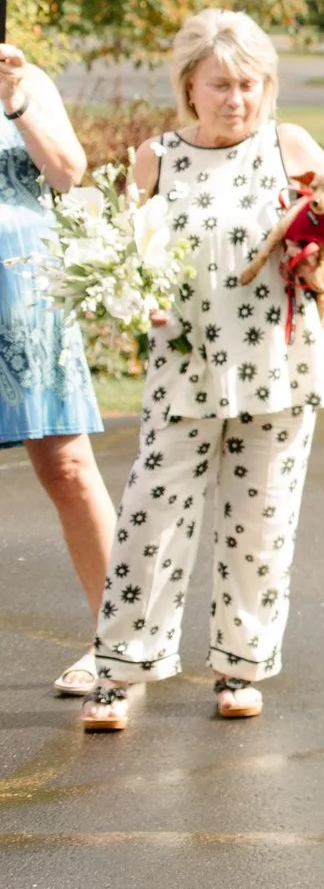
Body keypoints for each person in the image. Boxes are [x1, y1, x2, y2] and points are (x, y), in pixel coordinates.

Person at [79, 9, 324, 732]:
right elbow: (119, 254)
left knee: (260, 523)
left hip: (278, 367)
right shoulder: (156, 158)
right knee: (149, 520)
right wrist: (132, 300)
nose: (236, 98)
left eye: (249, 83)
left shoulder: (290, 145)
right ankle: (120, 670)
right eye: (220, 84)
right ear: (189, 85)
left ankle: (241, 667)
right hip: (183, 371)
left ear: (267, 85)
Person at [0, 34, 114, 699]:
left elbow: (69, 172)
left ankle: (117, 642)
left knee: (67, 466)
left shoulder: (25, 81)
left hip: (25, 291)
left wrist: (15, 101)